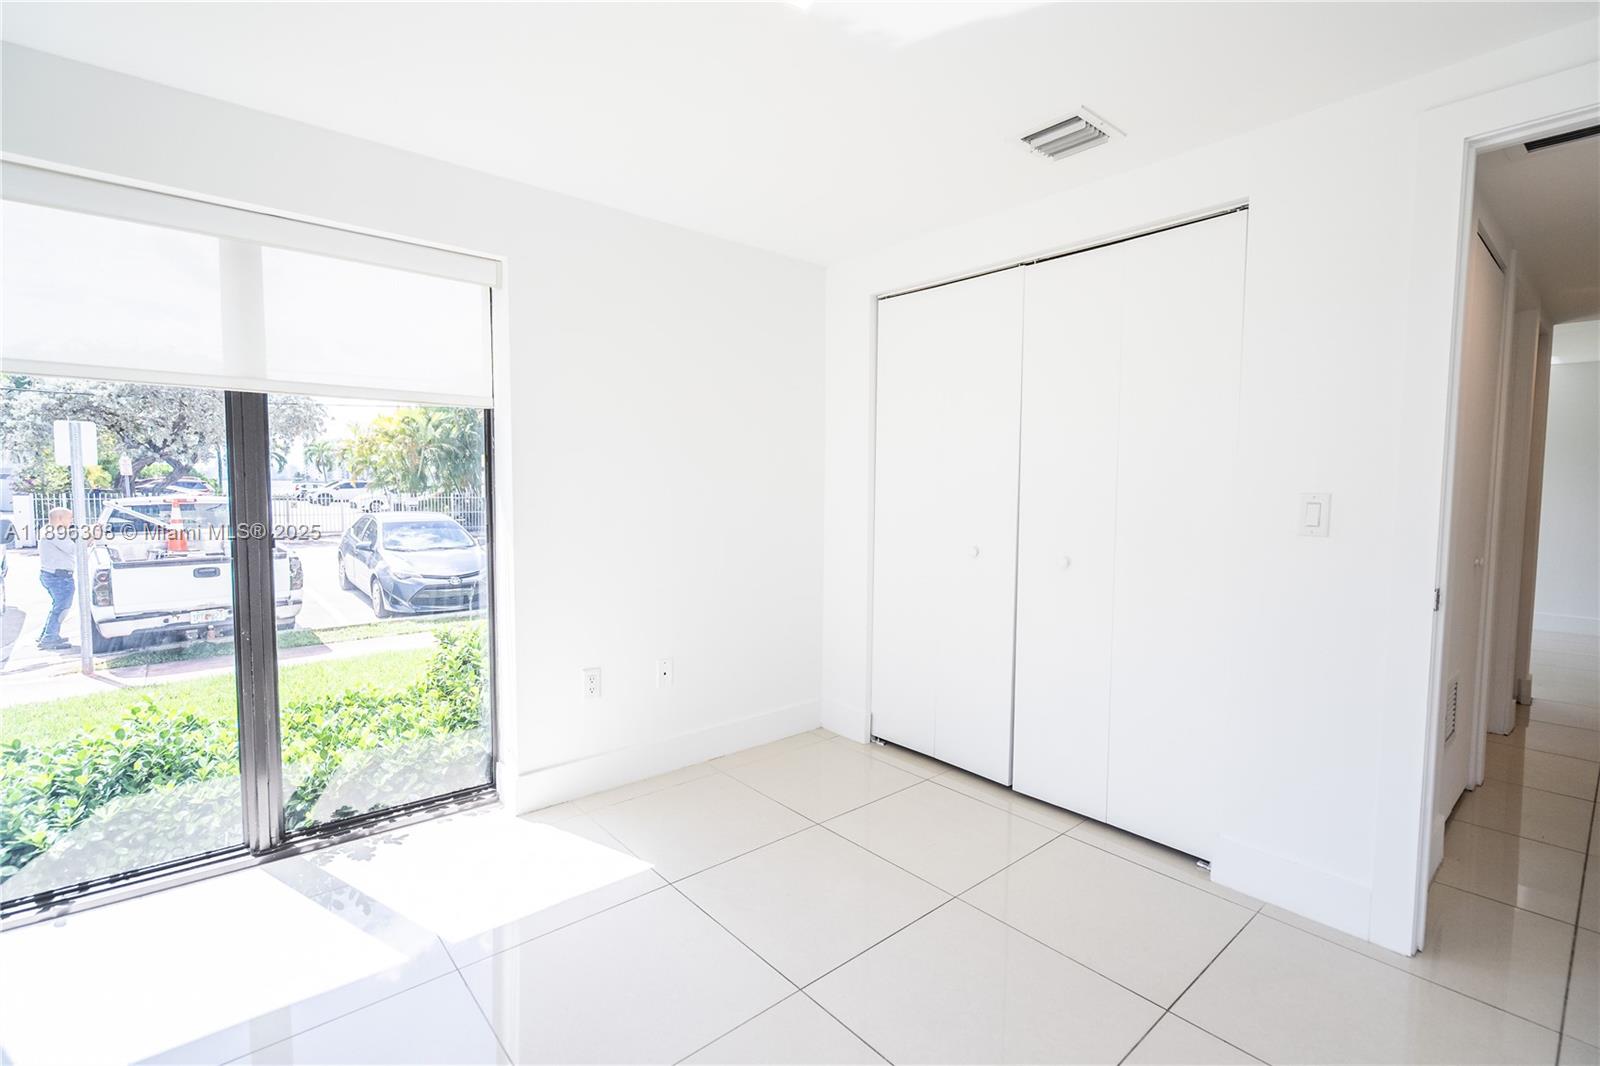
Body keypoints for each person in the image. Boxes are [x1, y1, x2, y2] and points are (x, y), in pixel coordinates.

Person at [37, 507, 78, 651]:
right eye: (69, 518)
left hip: (53, 575)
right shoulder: (54, 534)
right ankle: (49, 638)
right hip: (59, 577)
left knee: (58, 607)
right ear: (60, 519)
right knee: (61, 607)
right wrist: (92, 536)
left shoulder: (49, 531)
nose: (71, 521)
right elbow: (75, 549)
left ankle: (47, 634)